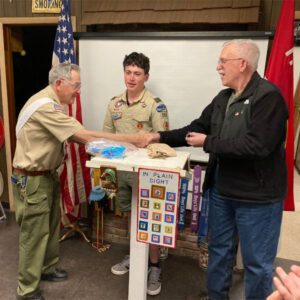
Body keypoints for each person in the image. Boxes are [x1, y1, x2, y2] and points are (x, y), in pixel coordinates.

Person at [144, 39, 289, 300]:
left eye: (223, 61)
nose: (218, 67)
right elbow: (196, 128)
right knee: (219, 252)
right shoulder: (223, 99)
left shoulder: (269, 97)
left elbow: (257, 146)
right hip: (222, 192)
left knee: (257, 265)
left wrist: (208, 143)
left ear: (242, 64)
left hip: (258, 199)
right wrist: (158, 137)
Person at [11, 62, 147, 300]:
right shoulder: (45, 107)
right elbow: (84, 136)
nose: (78, 91)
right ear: (60, 83)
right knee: (34, 235)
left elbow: (78, 138)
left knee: (52, 227)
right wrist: (131, 139)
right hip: (32, 181)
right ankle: (27, 290)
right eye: (76, 86)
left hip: (47, 175)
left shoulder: (53, 103)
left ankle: (46, 269)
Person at [103, 52, 169, 296]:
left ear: (146, 77)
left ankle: (154, 266)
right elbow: (105, 139)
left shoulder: (155, 104)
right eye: (128, 72)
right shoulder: (114, 103)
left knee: (149, 221)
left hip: (146, 174)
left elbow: (161, 142)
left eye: (137, 74)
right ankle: (134, 255)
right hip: (120, 173)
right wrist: (106, 175)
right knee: (129, 216)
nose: (131, 78)